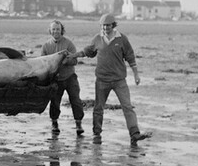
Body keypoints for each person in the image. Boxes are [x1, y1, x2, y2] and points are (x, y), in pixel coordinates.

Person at [76, 14, 152, 148]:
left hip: (119, 80)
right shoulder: (97, 39)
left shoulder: (122, 39)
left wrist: (136, 75)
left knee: (127, 107)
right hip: (101, 80)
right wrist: (74, 55)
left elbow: (130, 57)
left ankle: (134, 134)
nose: (105, 28)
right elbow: (87, 52)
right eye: (103, 25)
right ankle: (96, 134)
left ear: (113, 25)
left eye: (108, 25)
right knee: (98, 108)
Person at [41, 19, 85, 136]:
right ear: (50, 31)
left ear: (62, 31)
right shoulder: (46, 46)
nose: (56, 31)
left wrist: (65, 61)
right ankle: (54, 123)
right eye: (53, 29)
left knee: (75, 100)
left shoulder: (69, 44)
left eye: (58, 29)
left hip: (70, 77)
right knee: (55, 101)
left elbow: (75, 60)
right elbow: (43, 63)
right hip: (55, 79)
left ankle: (78, 123)